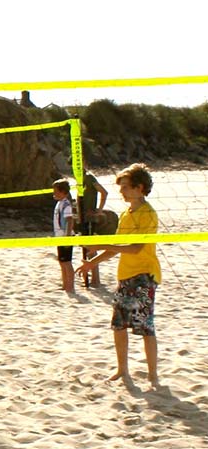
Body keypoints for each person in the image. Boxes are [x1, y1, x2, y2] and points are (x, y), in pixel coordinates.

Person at [76, 163, 161, 389]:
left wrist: (103, 244)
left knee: (145, 326)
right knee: (119, 325)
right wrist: (91, 263)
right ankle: (122, 369)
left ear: (139, 187)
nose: (121, 191)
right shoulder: (126, 214)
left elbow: (135, 248)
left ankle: (153, 375)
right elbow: (115, 248)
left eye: (125, 187)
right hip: (125, 276)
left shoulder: (148, 214)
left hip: (144, 275)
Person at [78, 171, 110, 288]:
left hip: (90, 218)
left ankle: (96, 280)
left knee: (90, 248)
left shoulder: (89, 178)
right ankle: (90, 278)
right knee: (85, 247)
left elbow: (104, 192)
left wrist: (99, 210)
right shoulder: (79, 180)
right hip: (83, 218)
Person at [51, 180, 78, 293]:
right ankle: (65, 284)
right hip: (59, 236)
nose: (54, 193)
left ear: (63, 192)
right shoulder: (60, 203)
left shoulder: (66, 204)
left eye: (56, 191)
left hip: (65, 237)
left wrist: (67, 236)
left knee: (67, 262)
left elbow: (70, 220)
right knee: (62, 261)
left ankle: (70, 286)